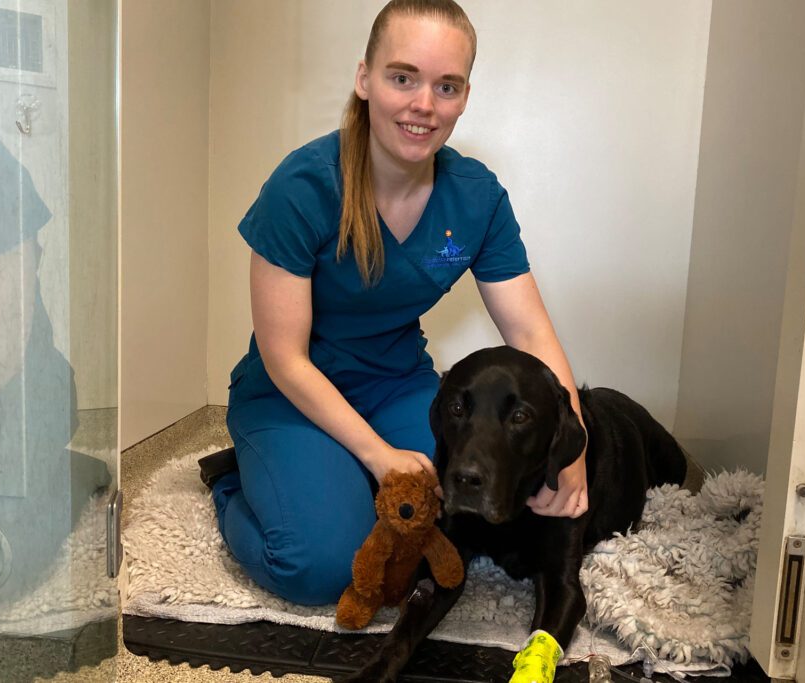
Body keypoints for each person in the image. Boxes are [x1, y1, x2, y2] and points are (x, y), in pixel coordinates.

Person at [209, 0, 588, 606]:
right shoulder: (303, 186)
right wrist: (379, 455)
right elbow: (285, 359)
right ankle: (232, 483)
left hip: (398, 385)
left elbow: (531, 335)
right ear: (365, 79)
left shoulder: (477, 198)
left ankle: (331, 477)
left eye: (447, 86)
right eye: (402, 77)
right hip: (289, 394)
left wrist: (576, 447)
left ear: (465, 97)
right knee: (325, 566)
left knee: (452, 523)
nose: (424, 105)